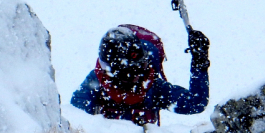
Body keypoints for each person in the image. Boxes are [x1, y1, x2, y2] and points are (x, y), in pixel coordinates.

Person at [70, 24, 210, 126]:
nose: (139, 75)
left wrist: (199, 63)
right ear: (115, 73)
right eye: (131, 73)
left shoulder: (152, 85)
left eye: (141, 66)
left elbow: (195, 103)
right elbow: (75, 120)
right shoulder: (94, 85)